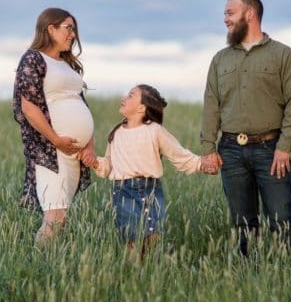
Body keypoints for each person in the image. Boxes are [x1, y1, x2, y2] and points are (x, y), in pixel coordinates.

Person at [200, 0, 291, 256]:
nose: (224, 19)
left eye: (230, 13)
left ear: (249, 14)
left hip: (271, 150)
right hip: (230, 150)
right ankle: (248, 275)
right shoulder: (220, 59)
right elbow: (211, 104)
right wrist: (207, 148)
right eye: (225, 13)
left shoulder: (283, 55)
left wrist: (284, 146)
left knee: (282, 218)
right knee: (242, 222)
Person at [80, 85, 202, 261]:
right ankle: (133, 276)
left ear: (141, 108)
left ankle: (151, 275)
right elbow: (108, 166)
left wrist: (200, 163)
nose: (124, 97)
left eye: (130, 95)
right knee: (132, 242)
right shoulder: (116, 133)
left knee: (153, 239)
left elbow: (178, 154)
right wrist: (95, 162)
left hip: (150, 189)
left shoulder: (155, 130)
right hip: (123, 192)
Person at [12, 7, 95, 245]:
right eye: (68, 28)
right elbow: (28, 107)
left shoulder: (67, 64)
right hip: (51, 151)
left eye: (74, 29)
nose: (73, 34)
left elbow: (82, 104)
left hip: (74, 154)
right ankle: (37, 264)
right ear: (50, 29)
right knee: (54, 217)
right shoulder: (34, 59)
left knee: (61, 216)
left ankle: (52, 266)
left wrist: (89, 145)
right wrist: (55, 139)